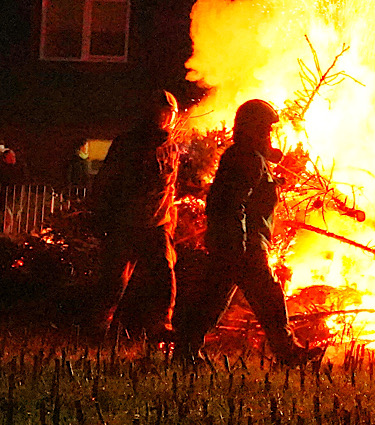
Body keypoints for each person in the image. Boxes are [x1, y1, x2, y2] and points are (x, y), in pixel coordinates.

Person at [174, 99, 318, 365]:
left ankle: (186, 351)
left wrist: (276, 177)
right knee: (267, 299)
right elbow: (234, 202)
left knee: (214, 300)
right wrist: (239, 245)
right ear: (253, 128)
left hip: (236, 242)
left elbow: (252, 189)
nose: (269, 134)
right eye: (266, 129)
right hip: (243, 244)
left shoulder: (247, 155)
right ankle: (288, 353)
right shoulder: (247, 159)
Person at [87, 91, 180, 341]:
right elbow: (106, 180)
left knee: (164, 275)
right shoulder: (127, 144)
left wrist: (170, 223)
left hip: (157, 223)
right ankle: (99, 327)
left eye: (168, 113)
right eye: (161, 113)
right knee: (114, 280)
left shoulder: (171, 147)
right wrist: (100, 215)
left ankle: (161, 327)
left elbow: (171, 186)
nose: (165, 118)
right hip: (125, 222)